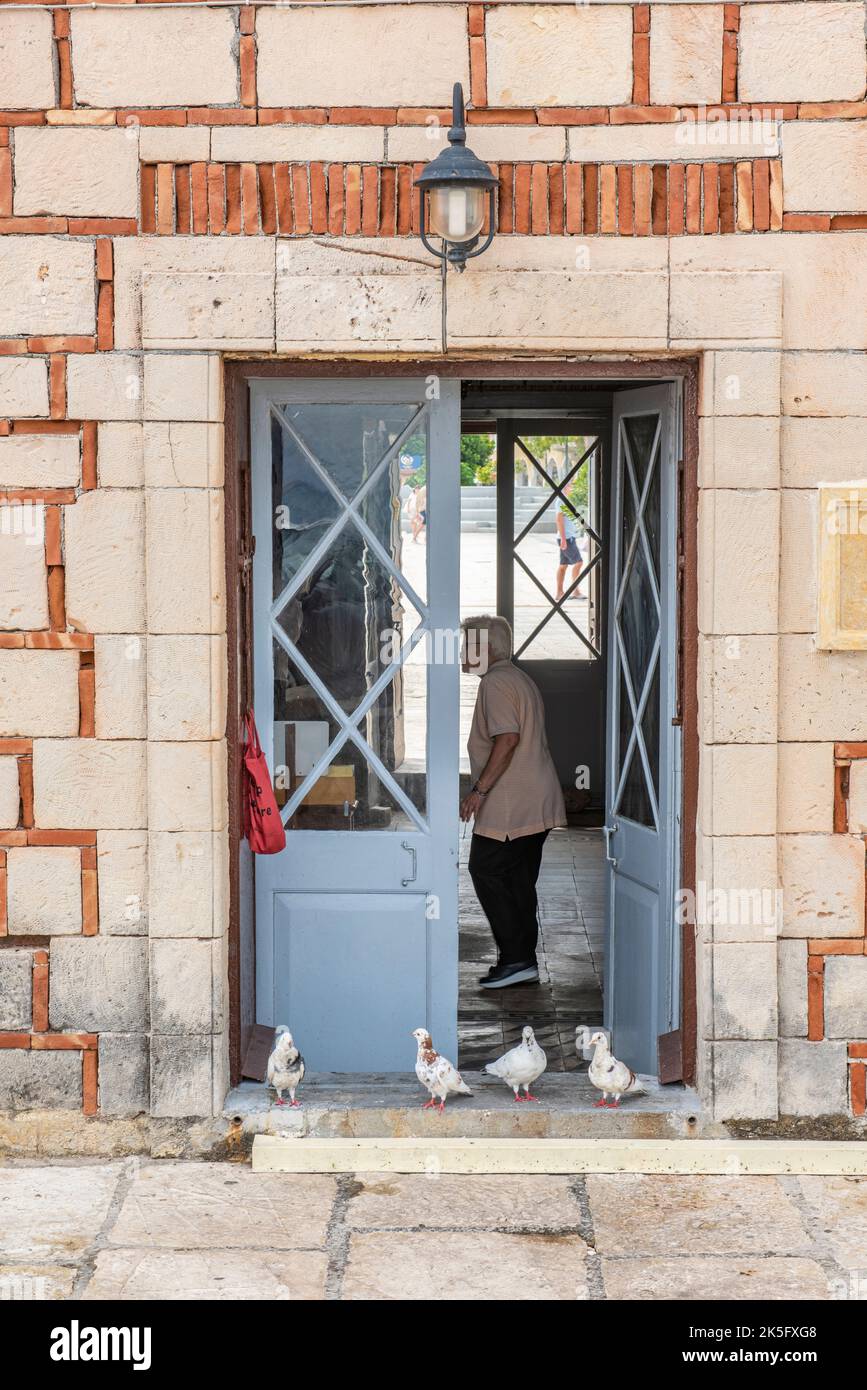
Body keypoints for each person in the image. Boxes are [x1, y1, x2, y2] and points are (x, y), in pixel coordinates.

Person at [459, 615, 567, 989]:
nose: (461, 652)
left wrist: (479, 791)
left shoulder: (496, 682)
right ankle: (522, 960)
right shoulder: (517, 677)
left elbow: (507, 739)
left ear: (486, 649)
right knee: (519, 880)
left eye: (467, 644)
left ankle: (516, 958)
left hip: (511, 804)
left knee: (486, 870)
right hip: (536, 800)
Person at [555, 502, 584, 600]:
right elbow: (559, 520)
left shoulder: (564, 500)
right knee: (579, 562)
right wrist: (563, 538)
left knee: (563, 565)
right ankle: (575, 591)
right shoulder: (560, 501)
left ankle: (559, 593)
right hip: (567, 539)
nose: (571, 486)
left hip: (569, 537)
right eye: (569, 485)